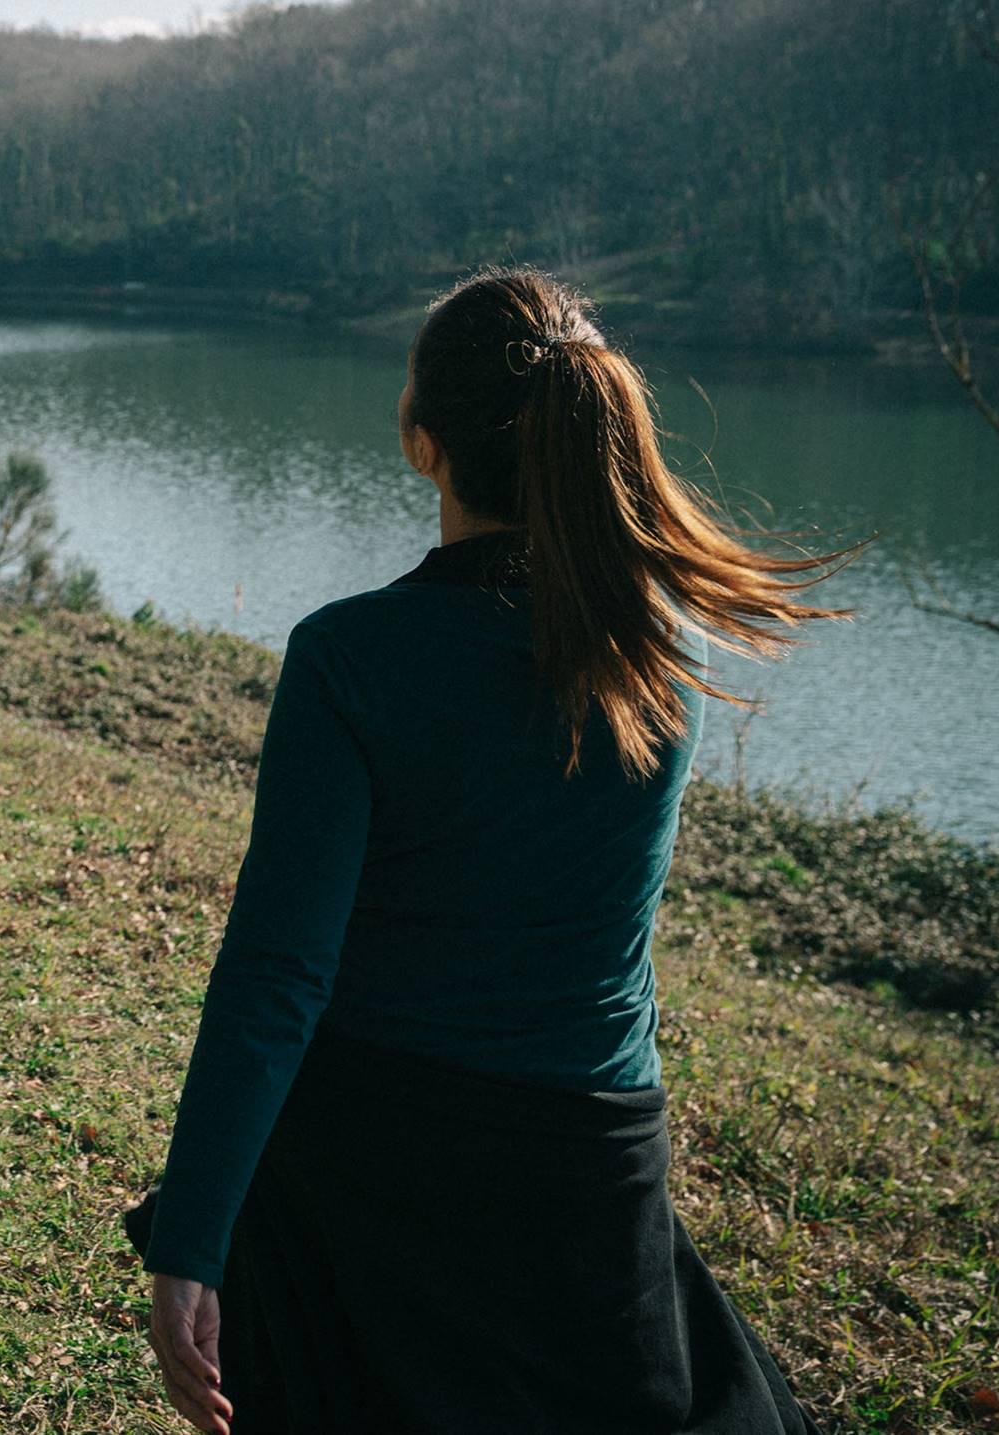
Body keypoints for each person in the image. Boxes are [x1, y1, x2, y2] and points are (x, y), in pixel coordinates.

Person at [136, 269, 839, 1434]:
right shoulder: (655, 658)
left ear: (423, 442)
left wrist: (192, 1235)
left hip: (375, 1171)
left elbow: (278, 977)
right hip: (595, 1159)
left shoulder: (349, 659)